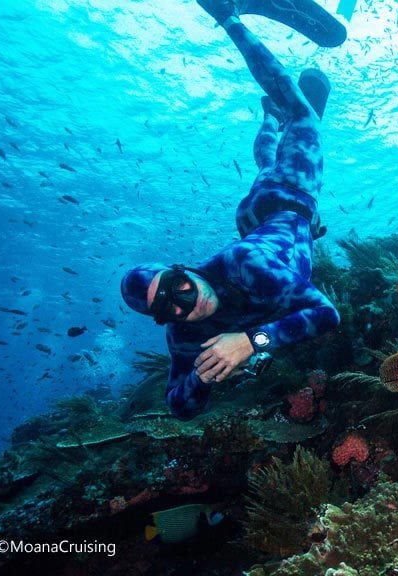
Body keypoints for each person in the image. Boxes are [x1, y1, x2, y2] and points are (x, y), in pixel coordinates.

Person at [120, 0, 340, 419]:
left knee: (304, 116)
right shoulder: (186, 334)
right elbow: (178, 407)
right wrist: (201, 378)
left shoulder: (244, 266)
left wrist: (249, 342)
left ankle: (228, 16)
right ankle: (269, 120)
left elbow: (326, 313)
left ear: (182, 268)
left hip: (288, 199)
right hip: (256, 221)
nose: (185, 304)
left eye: (177, 286)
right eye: (167, 307)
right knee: (264, 162)